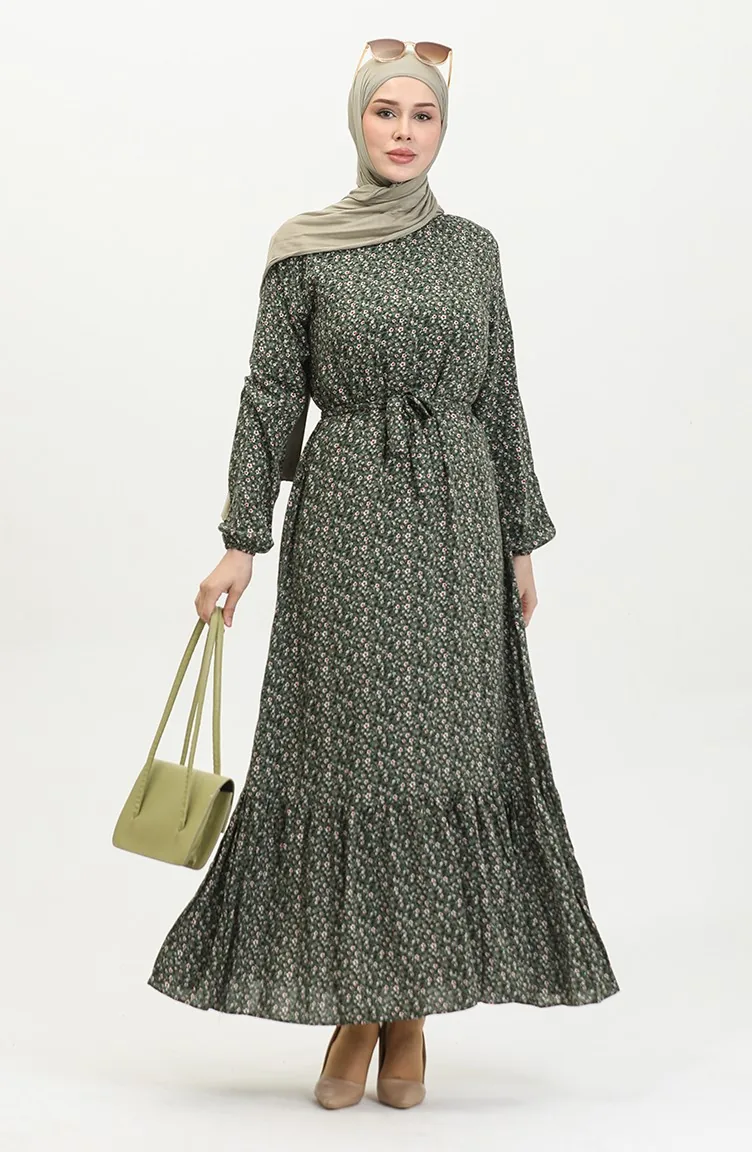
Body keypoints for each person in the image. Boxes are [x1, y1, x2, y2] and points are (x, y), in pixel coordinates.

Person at [147, 39, 620, 1111]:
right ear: (356, 120)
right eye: (385, 113)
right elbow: (270, 394)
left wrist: (518, 537)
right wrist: (240, 539)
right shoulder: (305, 249)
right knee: (351, 759)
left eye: (423, 116)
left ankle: (409, 1015)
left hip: (456, 519)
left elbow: (499, 392)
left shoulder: (473, 250)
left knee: (441, 756)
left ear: (443, 129)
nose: (403, 132)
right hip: (349, 516)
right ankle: (357, 1008)